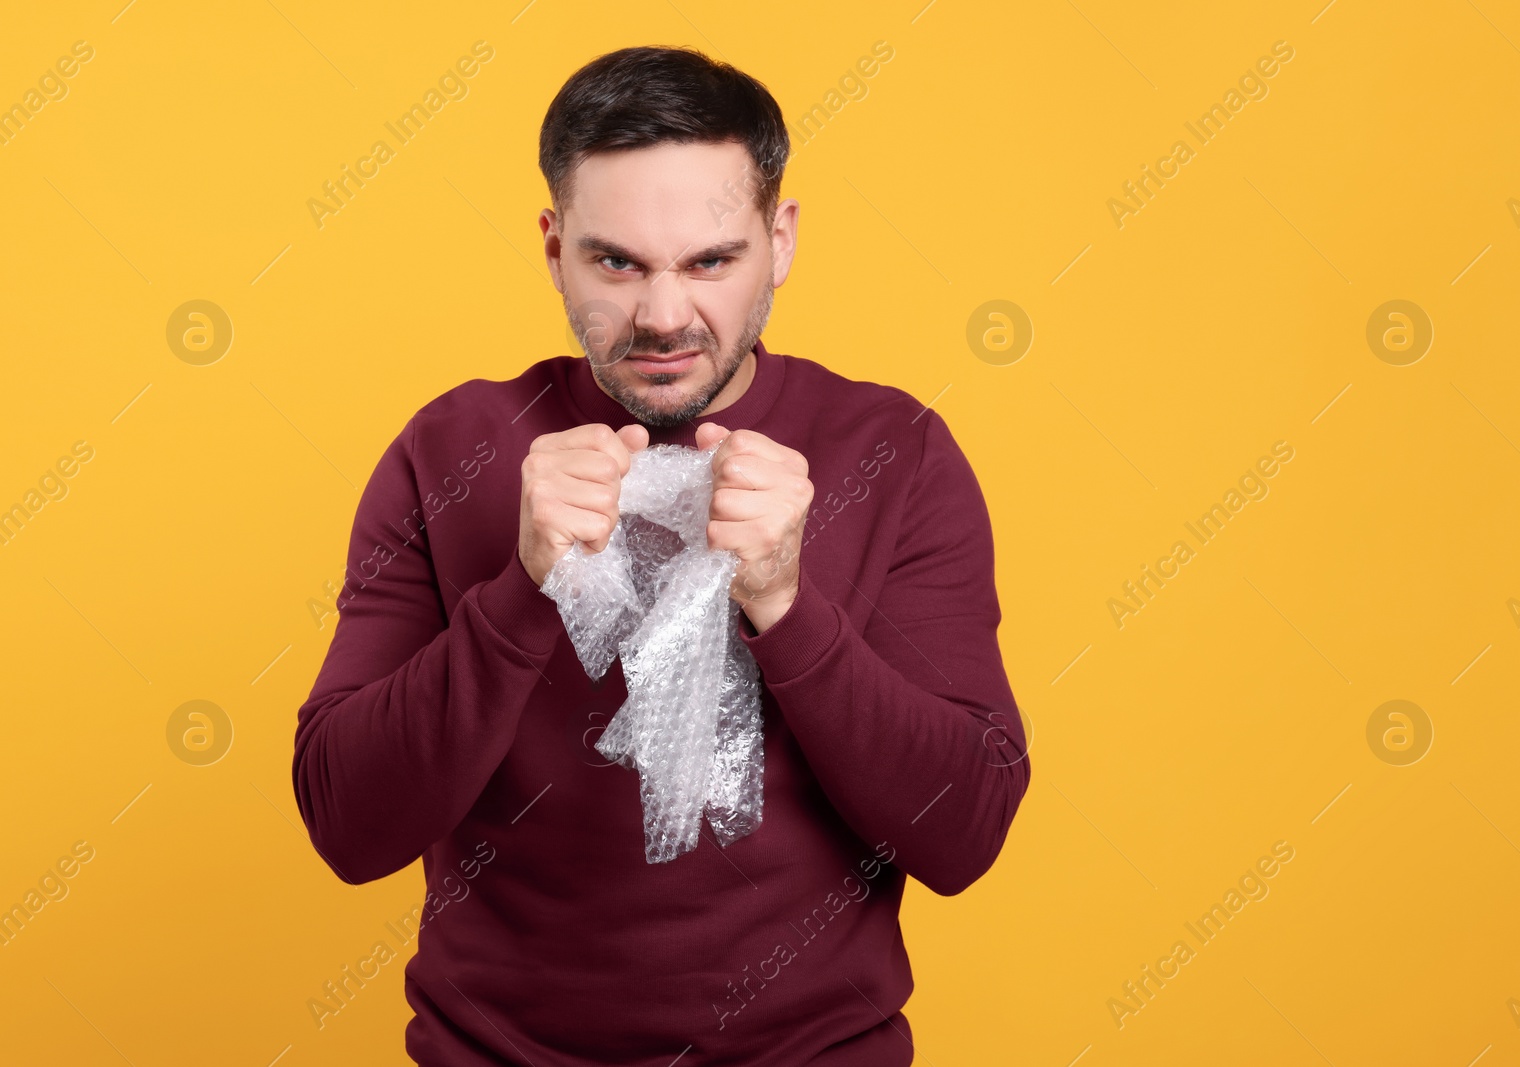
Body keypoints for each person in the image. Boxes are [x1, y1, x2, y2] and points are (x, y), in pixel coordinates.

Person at [292, 44, 1030, 1067]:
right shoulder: (453, 452)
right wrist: (521, 593)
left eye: (710, 261)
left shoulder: (889, 452)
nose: (664, 316)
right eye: (617, 262)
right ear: (554, 249)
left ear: (779, 241)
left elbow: (964, 834)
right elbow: (349, 824)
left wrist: (786, 603)